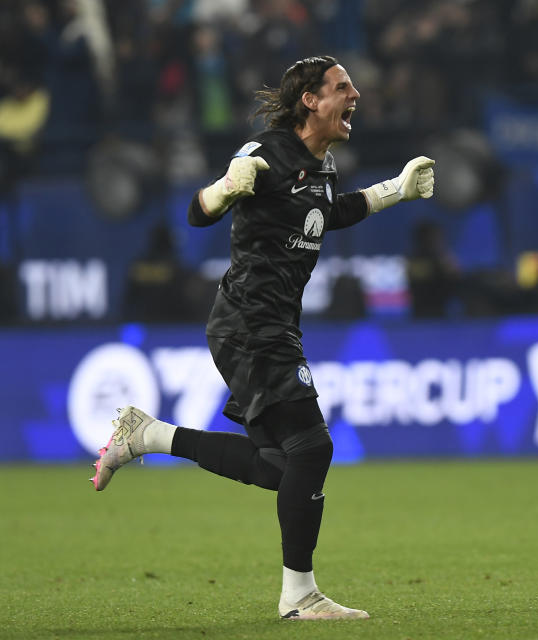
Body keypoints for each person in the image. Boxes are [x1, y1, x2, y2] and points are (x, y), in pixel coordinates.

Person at [90, 55, 435, 622]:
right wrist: (225, 188)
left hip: (268, 323)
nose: (355, 96)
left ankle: (149, 435)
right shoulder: (267, 151)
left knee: (284, 468)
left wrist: (394, 190)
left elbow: (330, 212)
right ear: (310, 100)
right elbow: (196, 213)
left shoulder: (320, 166)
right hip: (251, 322)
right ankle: (299, 595)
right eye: (342, 88)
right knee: (313, 449)